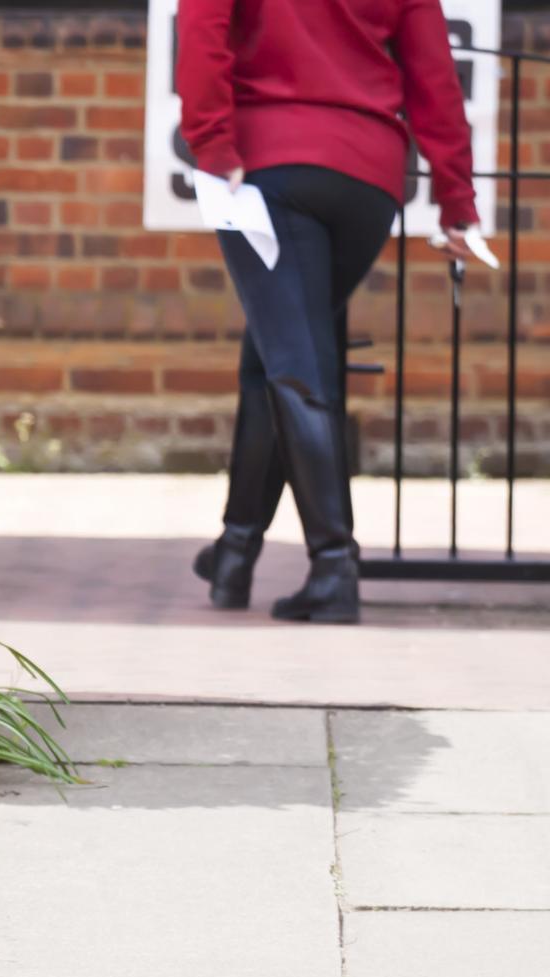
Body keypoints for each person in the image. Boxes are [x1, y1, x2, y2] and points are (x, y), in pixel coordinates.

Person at [175, 0, 480, 623]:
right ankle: (234, 553)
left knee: (292, 364)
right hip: (369, 179)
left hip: (269, 165)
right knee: (275, 354)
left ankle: (334, 567)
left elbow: (202, 28)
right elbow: (433, 75)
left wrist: (211, 139)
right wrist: (456, 197)